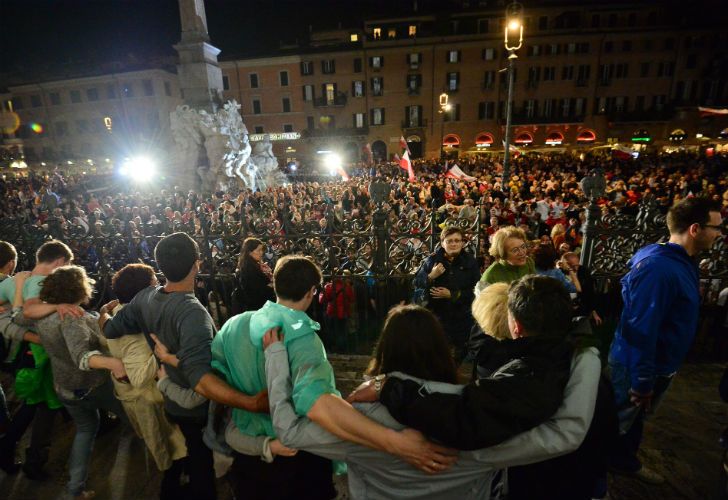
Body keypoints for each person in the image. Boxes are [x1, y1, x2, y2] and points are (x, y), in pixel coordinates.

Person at [262, 301, 602, 499]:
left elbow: (289, 432)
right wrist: (586, 355)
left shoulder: (361, 418)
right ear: (442, 349)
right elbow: (564, 435)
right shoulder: (479, 415)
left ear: (384, 348)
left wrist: (276, 356)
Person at [210, 254, 457, 499]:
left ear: (275, 284)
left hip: (248, 447)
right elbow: (316, 404)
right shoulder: (305, 340)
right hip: (302, 453)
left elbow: (216, 375)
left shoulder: (234, 325)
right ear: (311, 292)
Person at [99, 232, 268, 500]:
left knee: (195, 450)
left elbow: (109, 329)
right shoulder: (193, 314)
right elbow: (201, 380)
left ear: (160, 266)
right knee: (205, 458)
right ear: (197, 265)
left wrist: (104, 312)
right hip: (197, 407)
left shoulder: (144, 297)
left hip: (171, 397)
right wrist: (250, 403)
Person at [608, 197, 723, 484]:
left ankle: (623, 461)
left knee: (632, 422)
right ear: (695, 229)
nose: (720, 234)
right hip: (640, 366)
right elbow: (641, 329)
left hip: (657, 363)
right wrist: (643, 381)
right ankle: (599, 477)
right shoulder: (659, 270)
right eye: (716, 227)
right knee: (616, 424)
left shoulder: (676, 261)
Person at [34, 265, 129, 499]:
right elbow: (80, 356)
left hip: (65, 388)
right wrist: (113, 363)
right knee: (135, 416)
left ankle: (74, 490)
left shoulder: (44, 314)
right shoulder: (72, 318)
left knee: (85, 431)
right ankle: (169, 461)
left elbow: (17, 318)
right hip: (92, 385)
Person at [0, 240, 76, 478]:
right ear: (60, 262)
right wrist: (59, 306)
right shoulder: (40, 282)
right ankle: (30, 459)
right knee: (45, 406)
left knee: (39, 405)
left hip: (29, 354)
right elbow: (29, 312)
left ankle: (12, 450)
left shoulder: (14, 281)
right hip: (40, 356)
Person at [104, 263, 187, 476]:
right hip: (148, 396)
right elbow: (139, 376)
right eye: (154, 283)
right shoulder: (134, 325)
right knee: (164, 444)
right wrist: (163, 350)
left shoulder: (116, 313)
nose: (158, 286)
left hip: (133, 394)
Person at [413, 227, 480, 362]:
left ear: (462, 243)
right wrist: (431, 276)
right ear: (442, 243)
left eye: (457, 240)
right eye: (449, 241)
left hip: (462, 318)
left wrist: (453, 295)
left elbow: (477, 290)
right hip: (437, 317)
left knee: (459, 355)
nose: (453, 244)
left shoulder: (470, 262)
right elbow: (416, 282)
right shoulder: (432, 260)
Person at [232, 237, 276, 314]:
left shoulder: (255, 265)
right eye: (258, 250)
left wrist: (269, 274)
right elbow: (255, 292)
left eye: (262, 249)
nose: (261, 252)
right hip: (256, 309)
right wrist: (271, 284)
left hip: (260, 307)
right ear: (249, 252)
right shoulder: (248, 269)